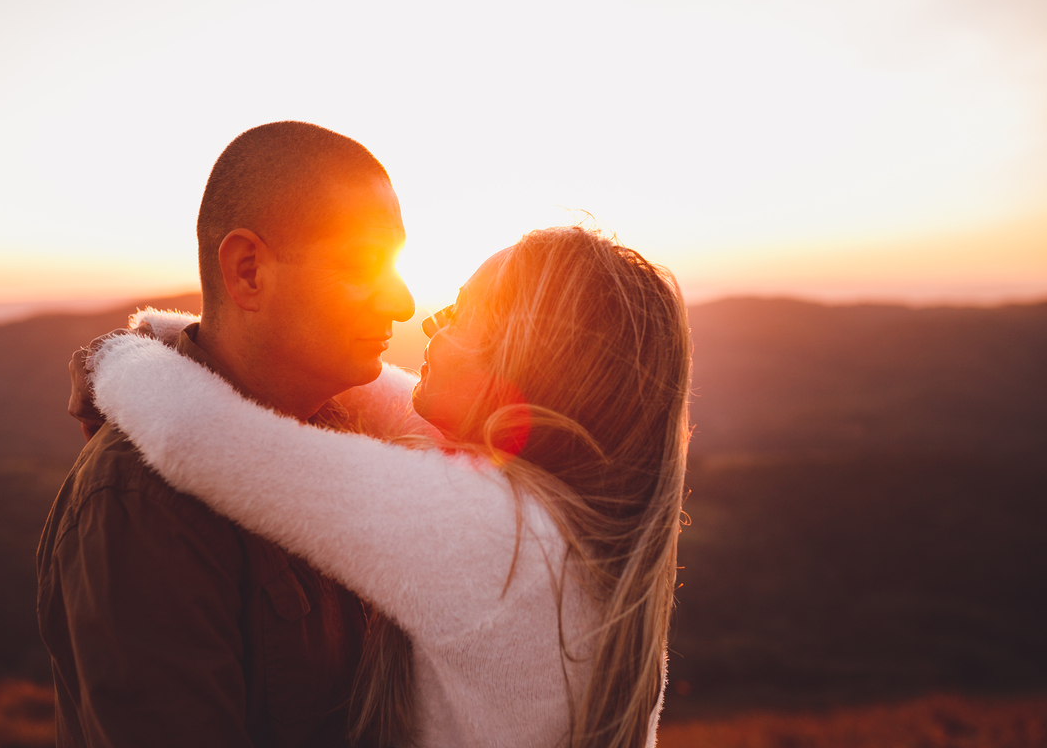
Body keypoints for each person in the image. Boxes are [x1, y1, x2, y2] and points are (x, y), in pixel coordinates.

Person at [77, 224, 692, 748]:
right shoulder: (571, 537)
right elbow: (377, 396)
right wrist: (180, 335)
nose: (429, 322)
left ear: (517, 358)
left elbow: (193, 436)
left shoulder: (488, 538)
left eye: (457, 312)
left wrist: (111, 358)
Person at [37, 121, 416, 748]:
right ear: (247, 273)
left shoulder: (347, 435)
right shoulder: (143, 500)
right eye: (364, 265)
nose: (402, 304)